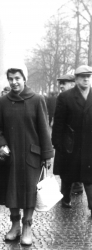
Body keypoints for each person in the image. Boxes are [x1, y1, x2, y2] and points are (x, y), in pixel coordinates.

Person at [0, 63, 54, 245]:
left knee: (29, 192)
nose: (14, 82)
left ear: (24, 78)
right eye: (10, 79)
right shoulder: (3, 101)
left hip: (31, 156)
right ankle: (15, 226)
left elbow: (43, 129)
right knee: (11, 191)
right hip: (10, 156)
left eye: (17, 78)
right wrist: (1, 145)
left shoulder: (37, 99)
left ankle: (27, 227)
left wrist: (47, 155)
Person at [52, 65, 92, 212]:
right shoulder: (65, 97)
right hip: (70, 143)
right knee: (68, 174)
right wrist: (57, 143)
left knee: (89, 177)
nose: (86, 79)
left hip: (89, 144)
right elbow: (59, 123)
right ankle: (66, 198)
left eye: (88, 76)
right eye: (83, 76)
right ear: (76, 79)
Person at [56, 74, 84, 196]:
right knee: (66, 166)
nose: (61, 85)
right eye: (60, 83)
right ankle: (66, 194)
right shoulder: (62, 97)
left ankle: (76, 187)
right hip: (66, 138)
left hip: (77, 138)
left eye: (64, 83)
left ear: (73, 83)